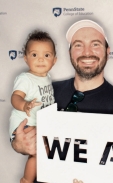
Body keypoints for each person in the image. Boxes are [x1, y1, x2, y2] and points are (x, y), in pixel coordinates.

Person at [11, 20, 113, 183]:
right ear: (70, 53)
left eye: (95, 44)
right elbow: (23, 126)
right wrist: (18, 144)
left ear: (108, 51)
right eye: (78, 45)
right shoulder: (47, 91)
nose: (87, 52)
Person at [9, 30, 57, 183]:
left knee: (46, 153)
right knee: (37, 154)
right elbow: (15, 97)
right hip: (24, 124)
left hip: (38, 124)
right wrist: (24, 105)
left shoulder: (48, 78)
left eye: (47, 55)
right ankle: (26, 180)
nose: (41, 59)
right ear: (25, 58)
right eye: (34, 55)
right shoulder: (25, 78)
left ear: (54, 60)